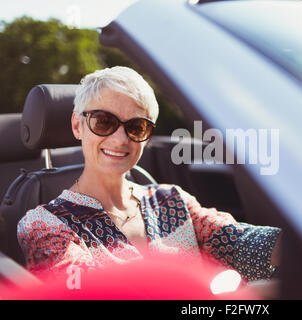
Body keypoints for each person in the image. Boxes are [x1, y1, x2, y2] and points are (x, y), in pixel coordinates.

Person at [17, 66, 281, 283]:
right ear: (78, 125)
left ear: (147, 136)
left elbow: (240, 242)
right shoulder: (46, 225)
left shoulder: (172, 200)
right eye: (103, 121)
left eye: (136, 127)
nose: (120, 139)